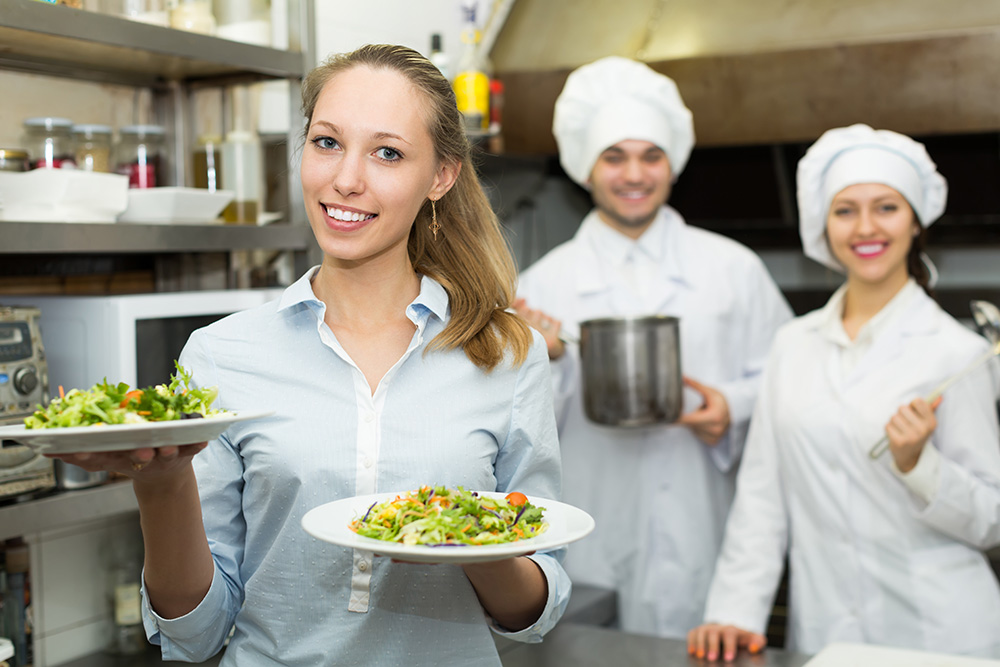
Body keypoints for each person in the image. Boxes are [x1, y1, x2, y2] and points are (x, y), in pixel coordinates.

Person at [49, 44, 570, 666]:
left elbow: (533, 614)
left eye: (387, 153)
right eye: (326, 142)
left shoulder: (507, 353)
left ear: (441, 176)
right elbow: (196, 635)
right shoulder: (220, 354)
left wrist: (469, 545)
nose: (346, 178)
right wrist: (162, 483)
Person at [688, 124, 1000, 661]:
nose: (865, 228)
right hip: (830, 632)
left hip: (941, 635)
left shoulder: (956, 352)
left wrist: (918, 465)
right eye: (845, 210)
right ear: (823, 225)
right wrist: (734, 612)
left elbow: (992, 519)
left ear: (915, 221)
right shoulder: (792, 344)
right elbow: (763, 496)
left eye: (886, 207)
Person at [514, 56, 793, 638]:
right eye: (614, 157)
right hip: (590, 529)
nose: (633, 173)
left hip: (704, 522)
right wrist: (553, 359)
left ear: (673, 165)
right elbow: (514, 437)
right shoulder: (541, 286)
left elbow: (791, 380)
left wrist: (732, 408)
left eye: (650, 156)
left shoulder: (733, 270)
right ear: (586, 169)